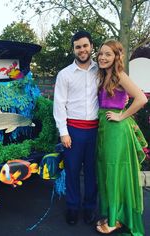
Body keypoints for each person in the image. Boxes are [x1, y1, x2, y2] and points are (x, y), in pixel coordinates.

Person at [96, 39, 148, 235]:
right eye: (101, 53)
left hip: (116, 131)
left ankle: (114, 220)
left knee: (114, 173)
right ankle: (114, 215)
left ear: (116, 57)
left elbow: (141, 98)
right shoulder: (104, 75)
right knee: (109, 173)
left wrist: (121, 115)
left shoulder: (119, 75)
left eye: (108, 54)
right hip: (105, 130)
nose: (103, 57)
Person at [53, 30, 99, 225]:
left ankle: (89, 208)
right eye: (78, 46)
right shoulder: (64, 74)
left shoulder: (101, 70)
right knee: (72, 171)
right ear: (73, 49)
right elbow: (59, 104)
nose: (82, 50)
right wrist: (63, 132)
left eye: (85, 45)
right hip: (73, 130)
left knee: (92, 172)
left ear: (91, 47)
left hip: (96, 130)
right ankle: (72, 207)